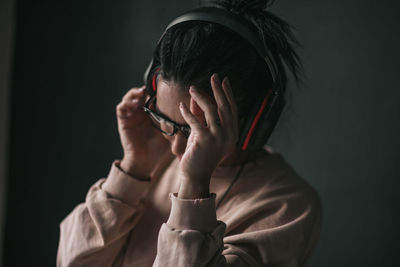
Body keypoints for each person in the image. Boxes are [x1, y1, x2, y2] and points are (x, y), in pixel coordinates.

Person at [57, 0, 322, 266]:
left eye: (196, 129)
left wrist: (195, 185)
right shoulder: (154, 161)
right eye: (164, 119)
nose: (176, 149)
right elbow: (71, 261)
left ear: (254, 120)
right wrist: (133, 169)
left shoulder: (287, 206)